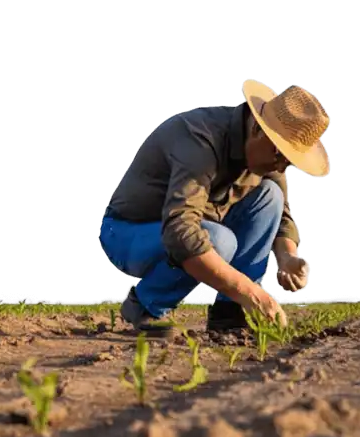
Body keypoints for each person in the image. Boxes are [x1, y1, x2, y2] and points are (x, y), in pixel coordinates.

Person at [99, 80, 331, 337]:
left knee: (270, 195)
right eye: (279, 156)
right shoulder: (200, 140)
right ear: (257, 128)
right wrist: (251, 293)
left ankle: (230, 314)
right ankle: (144, 308)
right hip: (127, 232)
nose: (279, 168)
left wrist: (287, 258)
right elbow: (181, 232)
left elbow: (281, 214)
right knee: (218, 240)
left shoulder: (265, 155)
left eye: (288, 163)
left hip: (192, 228)